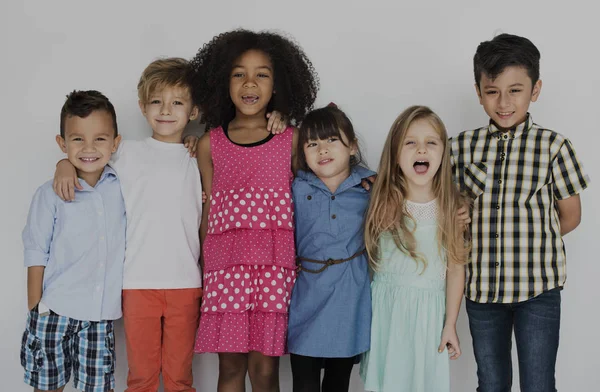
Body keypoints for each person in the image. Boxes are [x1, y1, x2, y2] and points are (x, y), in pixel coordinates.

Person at [53, 58, 203, 392]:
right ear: (142, 107)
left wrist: (196, 142)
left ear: (194, 111)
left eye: (177, 102)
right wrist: (64, 163)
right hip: (136, 283)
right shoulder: (128, 153)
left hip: (186, 283)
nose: (166, 110)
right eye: (156, 102)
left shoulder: (200, 155)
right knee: (141, 377)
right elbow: (88, 156)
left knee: (180, 377)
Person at [451, 33, 590, 392]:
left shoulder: (554, 146)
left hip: (538, 289)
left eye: (515, 90)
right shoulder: (459, 147)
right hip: (482, 290)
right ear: (479, 91)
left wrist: (529, 239)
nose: (504, 102)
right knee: (492, 383)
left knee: (539, 383)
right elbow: (444, 205)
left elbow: (571, 216)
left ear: (535, 89)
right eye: (492, 90)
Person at [190, 29, 318, 391]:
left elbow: (316, 191)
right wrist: (202, 267)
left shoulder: (289, 139)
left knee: (265, 373)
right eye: (238, 74)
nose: (250, 83)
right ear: (222, 83)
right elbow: (208, 212)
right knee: (229, 371)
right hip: (225, 271)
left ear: (278, 84)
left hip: (273, 272)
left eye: (262, 74)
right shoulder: (208, 143)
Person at [21, 90, 125, 392]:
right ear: (62, 143)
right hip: (54, 309)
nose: (89, 148)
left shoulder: (122, 187)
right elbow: (36, 251)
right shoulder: (49, 194)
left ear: (115, 143)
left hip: (99, 317)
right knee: (48, 387)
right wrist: (35, 308)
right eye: (78, 139)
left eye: (100, 139)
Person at [361, 105, 469, 392]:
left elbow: (456, 269)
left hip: (428, 318)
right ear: (396, 154)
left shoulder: (451, 208)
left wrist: (451, 324)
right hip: (386, 314)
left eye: (431, 142)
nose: (421, 150)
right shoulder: (380, 201)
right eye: (410, 142)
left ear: (443, 154)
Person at [287, 104, 374, 392]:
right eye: (312, 143)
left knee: (338, 383)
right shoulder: (296, 187)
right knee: (304, 382)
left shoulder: (370, 187)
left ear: (352, 147)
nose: (322, 149)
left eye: (331, 140)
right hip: (306, 296)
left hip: (349, 297)